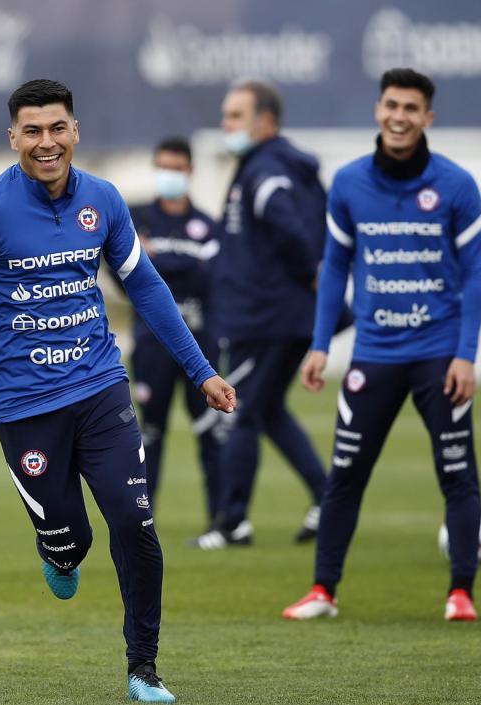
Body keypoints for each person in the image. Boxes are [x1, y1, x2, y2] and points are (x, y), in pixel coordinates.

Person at [0, 79, 235, 703]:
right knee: (73, 539)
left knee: (135, 522)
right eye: (32, 131)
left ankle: (143, 668)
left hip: (100, 389)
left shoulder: (105, 201)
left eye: (57, 128)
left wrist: (202, 370)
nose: (46, 142)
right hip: (24, 409)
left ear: (75, 131)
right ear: (13, 137)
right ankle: (59, 551)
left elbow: (145, 288)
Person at [282, 68, 481, 622]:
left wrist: (466, 354)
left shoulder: (457, 185)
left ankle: (461, 593)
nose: (399, 116)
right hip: (374, 355)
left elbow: (476, 275)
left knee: (457, 473)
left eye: (411, 108)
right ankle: (323, 591)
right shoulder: (350, 183)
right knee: (346, 474)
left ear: (428, 118)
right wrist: (321, 344)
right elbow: (335, 271)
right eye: (391, 105)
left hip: (440, 356)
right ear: (378, 109)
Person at [192, 78, 330, 550]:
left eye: (235, 116)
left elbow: (286, 222)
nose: (226, 124)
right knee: (268, 410)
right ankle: (327, 497)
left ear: (265, 122)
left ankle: (233, 523)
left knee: (242, 411)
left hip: (267, 315)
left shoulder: (266, 171)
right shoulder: (273, 165)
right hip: (277, 314)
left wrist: (313, 271)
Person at [126, 136, 222, 525]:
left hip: (198, 343)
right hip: (151, 344)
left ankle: (223, 520)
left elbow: (211, 277)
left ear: (190, 172)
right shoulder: (137, 218)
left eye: (177, 168)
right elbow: (127, 274)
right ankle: (143, 521)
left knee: (210, 433)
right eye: (163, 167)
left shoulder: (207, 225)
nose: (170, 175)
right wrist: (183, 263)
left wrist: (158, 259)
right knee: (148, 435)